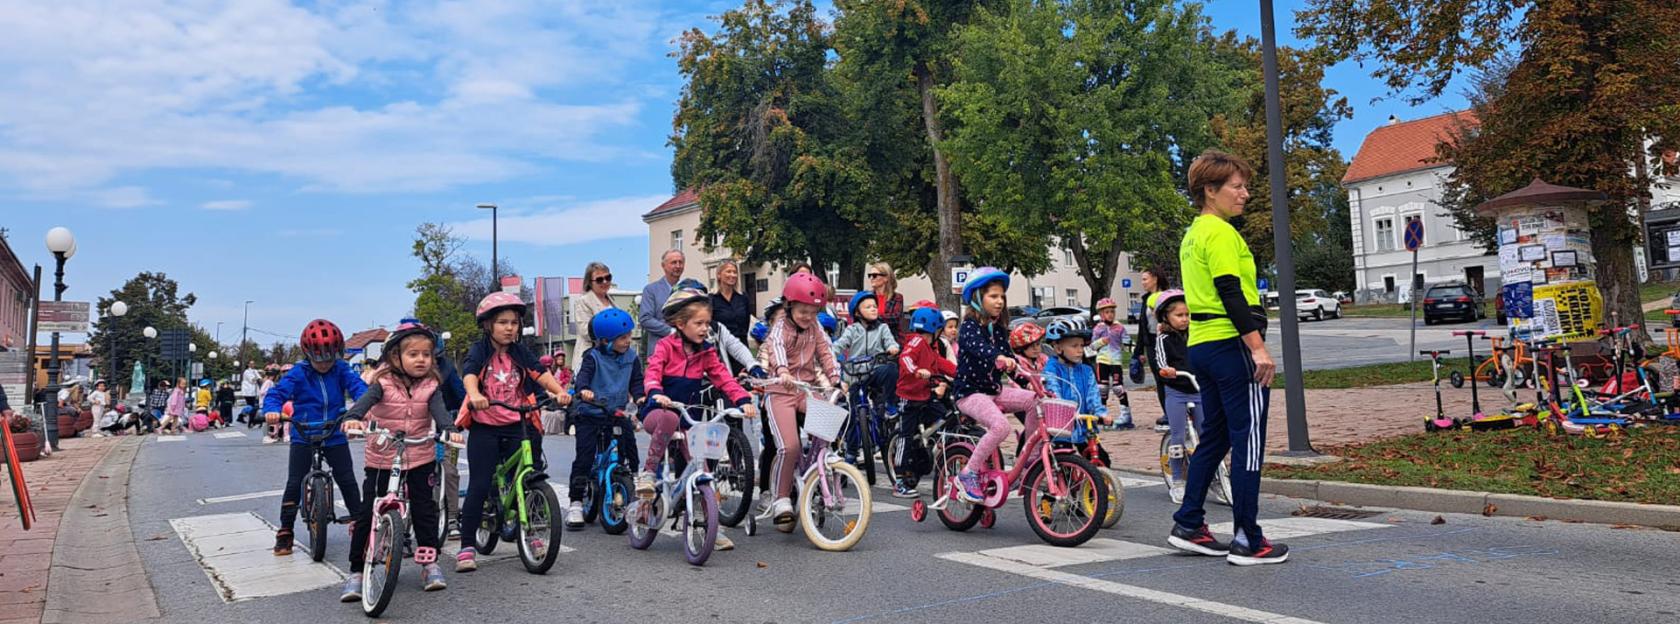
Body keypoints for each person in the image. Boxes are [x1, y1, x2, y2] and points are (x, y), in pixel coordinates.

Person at [1166, 149, 1285, 566]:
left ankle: (1189, 522)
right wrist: (1257, 347)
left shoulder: (1193, 233)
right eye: (1237, 186)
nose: (1245, 194)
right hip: (1232, 346)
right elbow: (1230, 290)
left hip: (1203, 346)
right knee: (1247, 440)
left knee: (1215, 435)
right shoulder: (1219, 233)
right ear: (1210, 190)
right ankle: (1248, 538)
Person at [338, 322, 461, 600]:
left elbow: (440, 413)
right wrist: (352, 418)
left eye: (426, 355)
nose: (421, 360)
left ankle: (429, 563)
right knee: (367, 510)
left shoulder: (431, 386)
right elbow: (363, 404)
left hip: (419, 454)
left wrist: (449, 430)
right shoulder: (381, 383)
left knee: (424, 509)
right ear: (396, 357)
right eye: (413, 354)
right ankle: (357, 571)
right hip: (382, 455)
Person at [455, 292, 573, 572]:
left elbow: (540, 375)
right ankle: (467, 546)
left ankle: (529, 535)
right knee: (480, 484)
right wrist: (473, 395)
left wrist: (560, 393)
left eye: (514, 323)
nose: (510, 328)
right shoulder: (480, 350)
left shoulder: (520, 352)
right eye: (502, 322)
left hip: (516, 423)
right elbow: (470, 374)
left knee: (525, 478)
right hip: (485, 426)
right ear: (487, 326)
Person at [639, 288, 758, 549]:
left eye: (707, 323)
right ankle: (648, 473)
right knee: (669, 419)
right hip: (657, 414)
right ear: (680, 324)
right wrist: (656, 392)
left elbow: (724, 378)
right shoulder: (665, 346)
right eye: (699, 323)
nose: (705, 329)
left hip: (687, 419)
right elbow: (652, 373)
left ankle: (710, 526)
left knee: (701, 470)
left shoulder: (706, 352)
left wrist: (743, 400)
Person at [262, 319, 368, 556]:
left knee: (347, 479)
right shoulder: (299, 373)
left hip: (334, 431)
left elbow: (359, 389)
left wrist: (362, 410)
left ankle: (360, 526)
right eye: (318, 359)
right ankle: (285, 530)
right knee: (294, 481)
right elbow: (276, 394)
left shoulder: (341, 369)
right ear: (308, 354)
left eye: (329, 358)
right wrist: (271, 410)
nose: (323, 364)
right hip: (304, 432)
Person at [761, 273, 841, 530]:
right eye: (803, 310)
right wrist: (782, 371)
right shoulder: (780, 328)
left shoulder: (815, 328)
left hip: (806, 390)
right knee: (790, 447)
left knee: (829, 425)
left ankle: (814, 476)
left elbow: (826, 352)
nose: (808, 316)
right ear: (789, 306)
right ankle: (781, 498)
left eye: (813, 311)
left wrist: (836, 378)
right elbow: (776, 349)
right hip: (780, 391)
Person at [951, 267, 1036, 502]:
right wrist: (997, 358)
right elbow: (980, 348)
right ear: (978, 298)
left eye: (1002, 297)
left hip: (993, 391)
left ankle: (1030, 458)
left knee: (1034, 402)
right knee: (1001, 427)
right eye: (993, 296)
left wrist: (1030, 380)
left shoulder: (999, 329)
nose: (999, 301)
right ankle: (968, 474)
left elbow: (1012, 363)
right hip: (970, 394)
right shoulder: (968, 327)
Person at [566, 307, 644, 528]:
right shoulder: (593, 357)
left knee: (630, 448)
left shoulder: (631, 357)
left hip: (616, 413)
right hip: (590, 413)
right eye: (622, 337)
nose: (628, 340)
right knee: (585, 457)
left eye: (629, 335)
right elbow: (583, 379)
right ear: (606, 340)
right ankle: (576, 503)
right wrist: (585, 391)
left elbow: (637, 381)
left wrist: (639, 397)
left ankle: (633, 485)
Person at [891, 307, 956, 498]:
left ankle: (931, 452)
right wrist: (917, 371)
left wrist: (962, 374)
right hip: (908, 398)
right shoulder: (916, 342)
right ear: (934, 329)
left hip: (925, 395)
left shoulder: (930, 349)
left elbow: (943, 365)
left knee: (946, 416)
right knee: (906, 436)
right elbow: (905, 358)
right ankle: (900, 481)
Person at [834, 290, 899, 464]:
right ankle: (851, 451)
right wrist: (831, 355)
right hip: (856, 375)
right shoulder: (852, 330)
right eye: (868, 307)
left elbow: (890, 341)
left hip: (875, 370)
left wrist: (893, 348)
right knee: (854, 415)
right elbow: (839, 346)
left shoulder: (882, 328)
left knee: (891, 369)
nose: (873, 309)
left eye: (875, 306)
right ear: (857, 312)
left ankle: (890, 406)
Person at [1150, 290, 1199, 503]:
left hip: (1198, 389)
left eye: (1187, 315)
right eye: (1179, 315)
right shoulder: (1164, 339)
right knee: (1178, 437)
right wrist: (1165, 370)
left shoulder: (1195, 334)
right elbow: (1160, 361)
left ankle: (1212, 475)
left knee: (1207, 433)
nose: (1185, 319)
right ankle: (1178, 479)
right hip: (1176, 391)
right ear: (1166, 317)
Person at [1135, 266, 1172, 423]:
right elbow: (1142, 326)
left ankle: (1178, 411)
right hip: (1151, 343)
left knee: (1170, 376)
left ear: (1155, 278)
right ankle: (1167, 413)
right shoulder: (1145, 299)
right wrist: (1139, 351)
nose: (1142, 283)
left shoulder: (1167, 297)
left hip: (1167, 342)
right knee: (1159, 379)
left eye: (1145, 279)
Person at [572, 261, 620, 372]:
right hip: (591, 358)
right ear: (590, 282)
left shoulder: (612, 302)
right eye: (599, 280)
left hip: (612, 358)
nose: (605, 282)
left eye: (608, 277)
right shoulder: (583, 301)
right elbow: (585, 331)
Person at [638, 250, 686, 342]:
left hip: (685, 349)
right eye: (673, 262)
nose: (678, 266)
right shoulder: (651, 290)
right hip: (660, 348)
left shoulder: (688, 289)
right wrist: (671, 331)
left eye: (681, 262)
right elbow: (645, 319)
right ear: (663, 266)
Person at [710, 259, 752, 346]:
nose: (732, 275)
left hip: (741, 347)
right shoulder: (711, 299)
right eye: (728, 271)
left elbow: (746, 325)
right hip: (721, 348)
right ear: (719, 275)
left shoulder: (743, 298)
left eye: (734, 272)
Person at [866, 262, 907, 341]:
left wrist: (872, 317)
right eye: (869, 275)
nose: (871, 278)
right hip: (870, 340)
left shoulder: (897, 297)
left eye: (874, 275)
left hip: (891, 339)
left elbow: (895, 318)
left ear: (886, 278)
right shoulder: (867, 296)